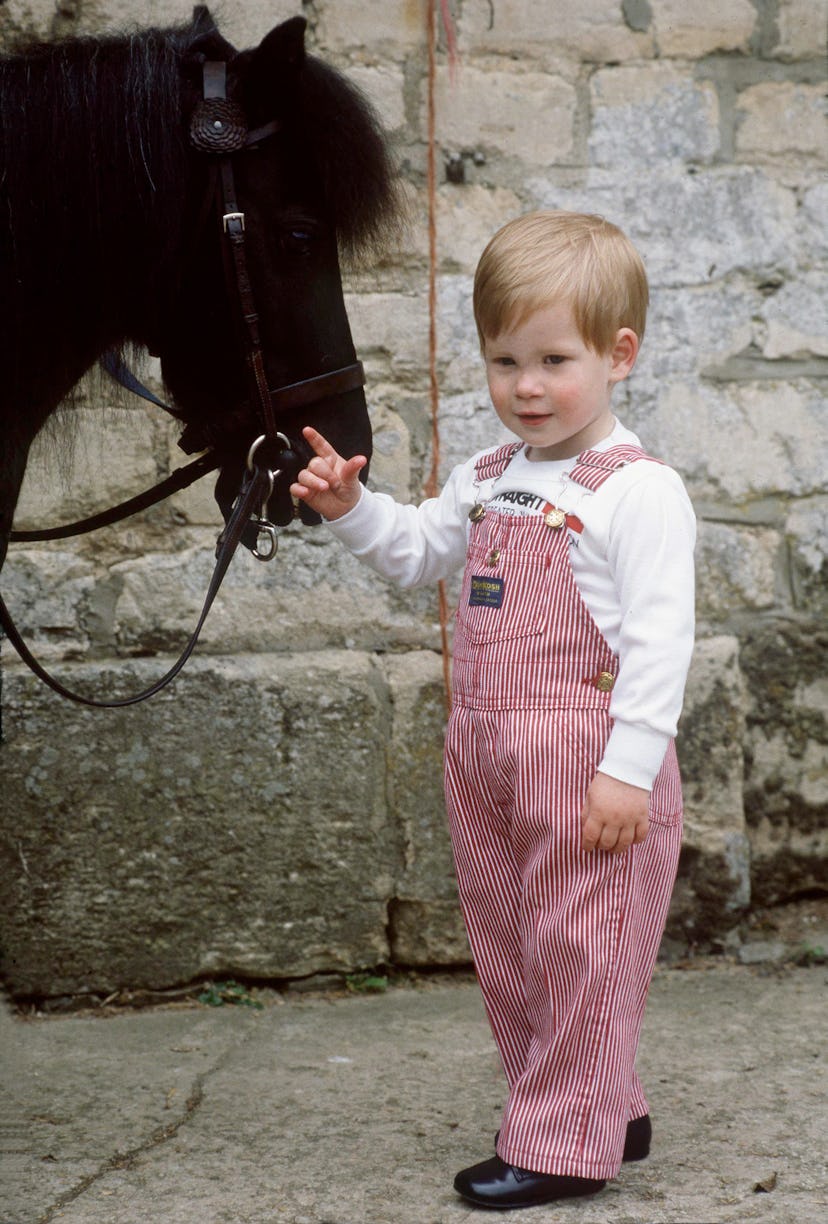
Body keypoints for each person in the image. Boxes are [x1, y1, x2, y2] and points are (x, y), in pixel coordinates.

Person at [290, 210, 696, 1211]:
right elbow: (418, 551)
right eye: (504, 359)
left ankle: (564, 1145)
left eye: (554, 359)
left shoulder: (637, 492)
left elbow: (659, 641)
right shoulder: (487, 477)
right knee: (511, 936)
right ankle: (607, 1103)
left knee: (581, 941)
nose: (526, 386)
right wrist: (352, 510)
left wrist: (627, 769)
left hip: (588, 753)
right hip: (487, 745)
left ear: (618, 355)